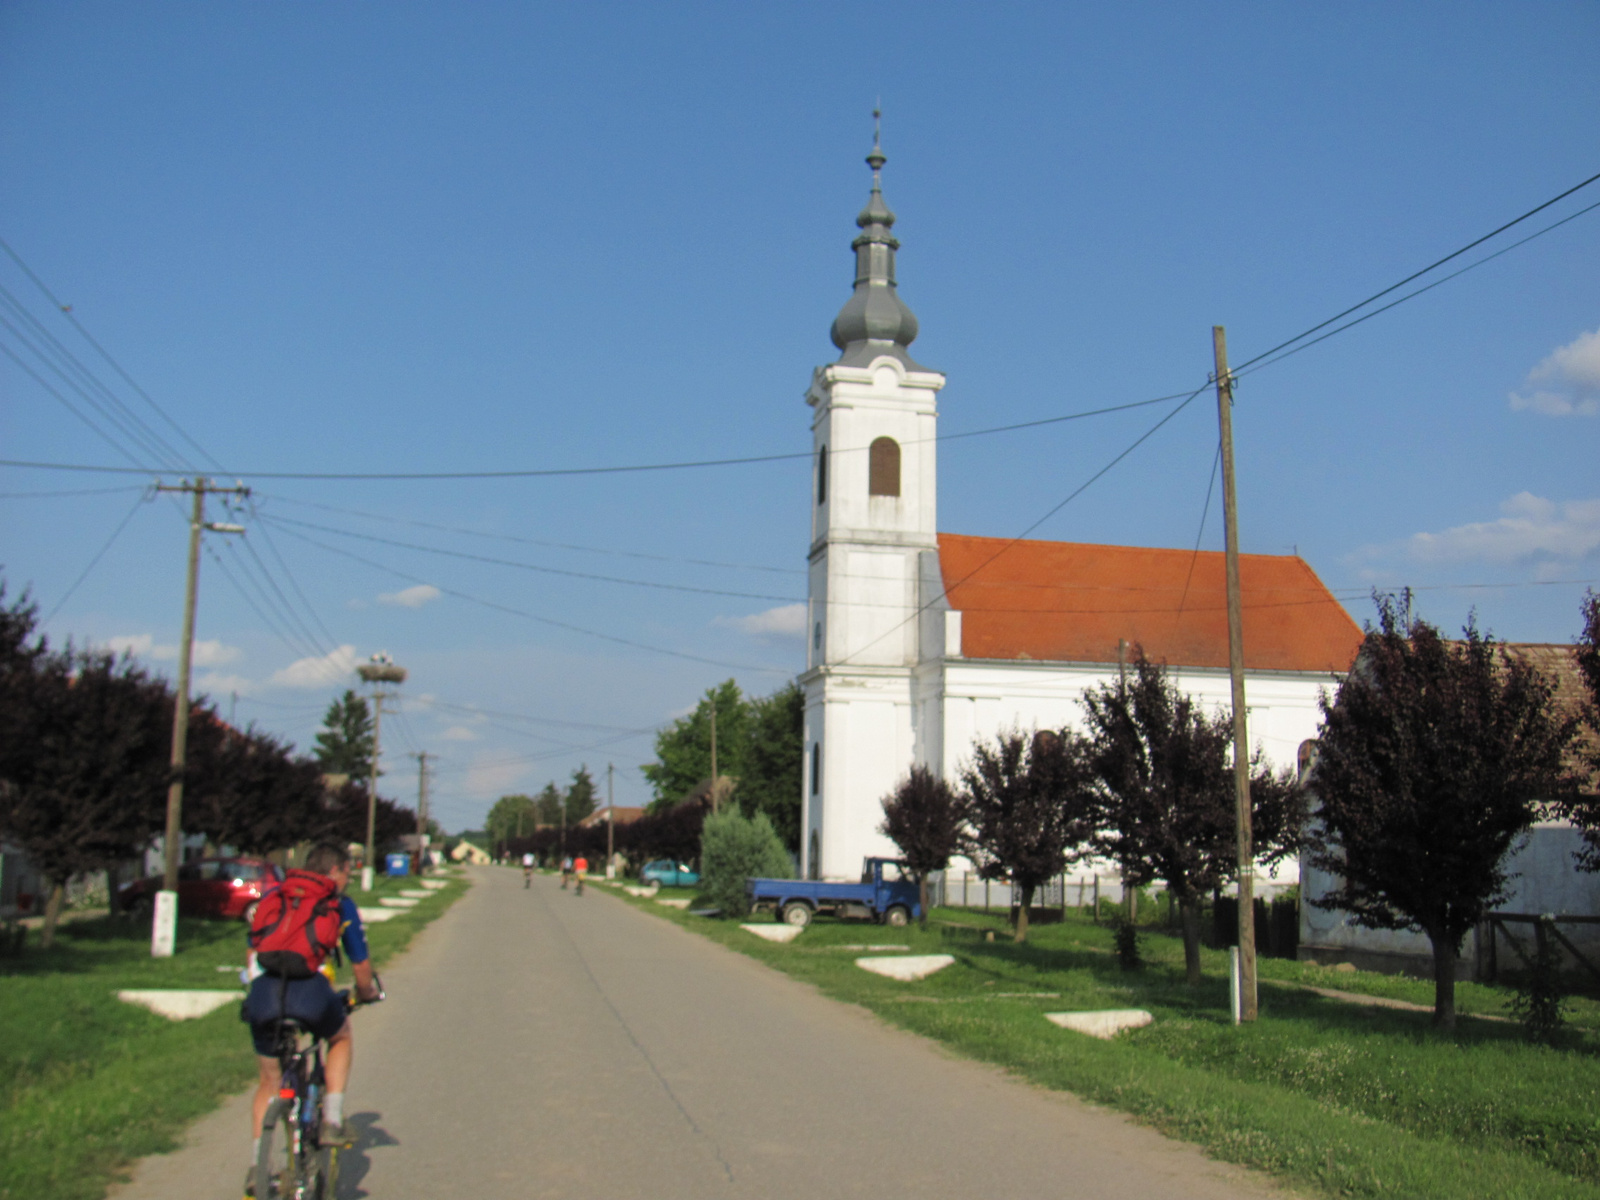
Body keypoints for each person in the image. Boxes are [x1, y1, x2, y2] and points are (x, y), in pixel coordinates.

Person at [242, 844, 379, 1195]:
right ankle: (331, 1119)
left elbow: (253, 949)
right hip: (310, 993)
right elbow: (361, 966)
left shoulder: (276, 895)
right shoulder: (338, 904)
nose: (348, 879)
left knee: (269, 1081)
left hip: (263, 994)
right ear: (334, 871)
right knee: (341, 1037)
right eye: (348, 872)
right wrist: (366, 993)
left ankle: (259, 1168)